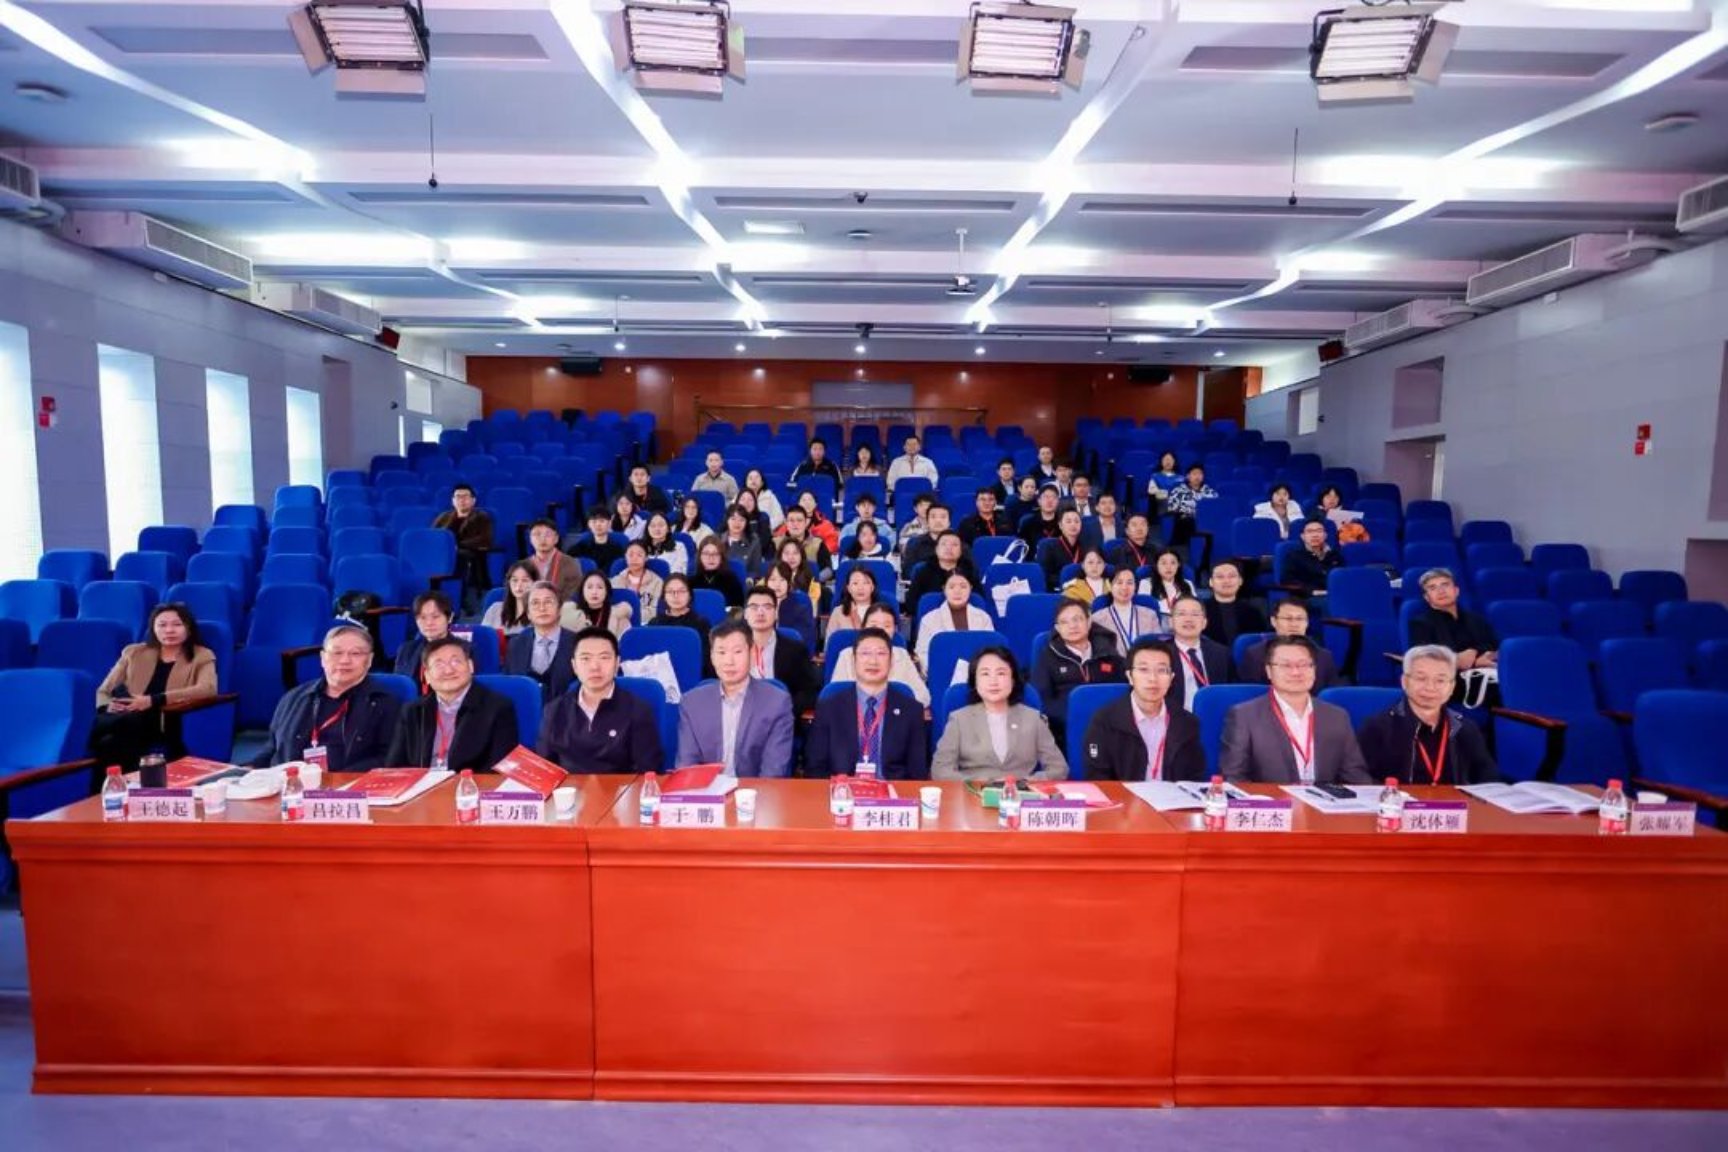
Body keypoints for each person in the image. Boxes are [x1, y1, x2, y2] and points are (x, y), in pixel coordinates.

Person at [1220, 635, 1372, 785]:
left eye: (1304, 664)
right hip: (1272, 800)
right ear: (1269, 671)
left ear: (1314, 669)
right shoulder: (1244, 716)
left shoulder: (1337, 716)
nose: (1296, 672)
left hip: (1324, 800)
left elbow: (1356, 777)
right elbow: (1234, 779)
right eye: (1286, 665)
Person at [89, 602, 218, 771]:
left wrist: (154, 700)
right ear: (153, 629)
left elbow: (208, 689)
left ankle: (87, 738)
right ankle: (114, 783)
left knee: (116, 727)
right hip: (128, 715)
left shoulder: (202, 655)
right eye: (162, 625)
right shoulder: (133, 652)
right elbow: (104, 690)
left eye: (177, 624)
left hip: (166, 719)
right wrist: (106, 706)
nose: (169, 630)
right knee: (109, 742)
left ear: (188, 628)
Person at [254, 624, 401, 771]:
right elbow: (272, 749)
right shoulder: (294, 698)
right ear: (323, 658)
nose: (344, 660)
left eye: (355, 653)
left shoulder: (385, 703)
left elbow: (388, 758)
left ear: (369, 660)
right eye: (337, 653)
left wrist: (335, 781)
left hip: (349, 783)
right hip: (289, 781)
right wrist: (249, 768)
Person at [1359, 645, 1500, 786]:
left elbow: (1489, 781)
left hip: (1452, 800)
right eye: (1421, 679)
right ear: (1405, 682)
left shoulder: (1465, 729)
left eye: (1440, 680)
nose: (1430, 687)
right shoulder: (1378, 728)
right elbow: (1361, 781)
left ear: (1451, 687)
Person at [806, 628, 930, 781]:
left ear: (891, 662)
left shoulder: (911, 710)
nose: (873, 661)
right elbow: (815, 769)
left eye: (881, 654)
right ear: (854, 660)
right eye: (865, 653)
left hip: (892, 792)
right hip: (843, 791)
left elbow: (917, 773)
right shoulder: (829, 708)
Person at [931, 646, 1068, 782]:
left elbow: (1059, 769)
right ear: (975, 681)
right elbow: (940, 770)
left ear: (1013, 680)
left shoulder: (1033, 718)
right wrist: (977, 783)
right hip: (973, 792)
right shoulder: (959, 720)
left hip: (1020, 792)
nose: (993, 681)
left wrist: (1027, 782)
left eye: (1001, 673)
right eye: (985, 674)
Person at [676, 619, 794, 776]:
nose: (729, 661)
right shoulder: (692, 703)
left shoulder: (777, 703)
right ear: (712, 657)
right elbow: (687, 767)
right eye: (721, 652)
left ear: (752, 654)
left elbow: (773, 771)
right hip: (707, 790)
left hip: (755, 790)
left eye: (737, 652)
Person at [539, 627, 664, 774]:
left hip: (621, 787)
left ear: (617, 663)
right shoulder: (554, 710)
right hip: (570, 787)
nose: (595, 667)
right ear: (574, 666)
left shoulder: (638, 710)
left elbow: (647, 771)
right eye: (585, 658)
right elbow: (544, 770)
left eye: (604, 658)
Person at [384, 637, 518, 772]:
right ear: (427, 676)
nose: (448, 671)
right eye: (439, 665)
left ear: (471, 666)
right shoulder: (413, 710)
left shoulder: (497, 707)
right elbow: (394, 767)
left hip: (469, 783)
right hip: (422, 783)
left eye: (456, 661)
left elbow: (498, 771)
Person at [1082, 639, 1206, 783]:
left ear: (1171, 678)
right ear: (1130, 676)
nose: (1153, 679)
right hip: (1123, 796)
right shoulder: (1105, 721)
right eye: (1143, 669)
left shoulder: (1187, 723)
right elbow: (1098, 778)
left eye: (1161, 670)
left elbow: (1193, 778)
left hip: (1172, 797)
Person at [1030, 598, 1124, 747]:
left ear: (1089, 622)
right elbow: (1042, 699)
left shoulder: (1108, 652)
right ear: (1058, 628)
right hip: (1066, 726)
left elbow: (1123, 690)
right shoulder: (1047, 657)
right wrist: (1074, 714)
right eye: (1064, 622)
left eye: (1077, 619)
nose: (1072, 626)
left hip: (1109, 724)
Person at [829, 602, 930, 706]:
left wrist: (887, 704)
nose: (880, 630)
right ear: (863, 628)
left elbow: (923, 696)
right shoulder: (846, 655)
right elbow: (834, 695)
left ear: (895, 630)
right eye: (874, 625)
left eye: (887, 626)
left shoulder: (902, 655)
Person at [743, 585, 820, 713]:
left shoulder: (795, 650)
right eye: (754, 607)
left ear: (776, 613)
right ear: (745, 614)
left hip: (781, 717)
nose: (760, 613)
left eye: (767, 607)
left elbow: (809, 692)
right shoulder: (732, 649)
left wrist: (784, 708)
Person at [1238, 598, 1339, 689]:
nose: (1294, 624)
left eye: (1299, 619)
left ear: (1307, 623)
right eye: (1288, 619)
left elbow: (1329, 696)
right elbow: (1252, 694)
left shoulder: (1324, 656)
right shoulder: (1256, 655)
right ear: (1274, 621)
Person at [1410, 568, 1499, 670]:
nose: (1441, 591)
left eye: (1445, 585)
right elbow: (1425, 661)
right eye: (1433, 588)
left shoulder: (1477, 620)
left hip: (1488, 670)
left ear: (1456, 591)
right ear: (1427, 597)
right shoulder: (1420, 624)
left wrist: (1474, 651)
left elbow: (1493, 647)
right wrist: (1474, 662)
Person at [504, 582, 579, 702]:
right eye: (535, 603)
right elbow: (510, 686)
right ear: (528, 614)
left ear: (559, 609)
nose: (542, 608)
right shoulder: (516, 645)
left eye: (548, 602)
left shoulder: (578, 643)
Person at [914, 568, 994, 676]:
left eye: (963, 586)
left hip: (978, 675)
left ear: (970, 588)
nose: (957, 591)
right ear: (944, 589)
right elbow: (922, 654)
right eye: (951, 587)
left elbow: (991, 651)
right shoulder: (929, 620)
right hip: (942, 674)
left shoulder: (983, 618)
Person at [432, 483, 494, 614]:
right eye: (458, 497)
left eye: (465, 496)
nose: (461, 500)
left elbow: (485, 539)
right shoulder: (444, 517)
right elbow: (433, 535)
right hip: (443, 553)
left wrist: (457, 545)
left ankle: (461, 599)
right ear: (453, 501)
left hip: (468, 553)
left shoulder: (482, 517)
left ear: (473, 500)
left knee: (459, 557)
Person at [1167, 594, 1235, 711]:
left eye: (1195, 614)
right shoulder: (1160, 654)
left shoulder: (1221, 653)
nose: (1188, 619)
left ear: (1204, 623)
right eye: (1181, 614)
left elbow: (1233, 691)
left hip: (1214, 714)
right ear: (1171, 622)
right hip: (1175, 716)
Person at [904, 531, 978, 623]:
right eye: (944, 544)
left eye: (954, 545)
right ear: (936, 549)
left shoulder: (969, 572)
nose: (949, 548)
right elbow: (911, 604)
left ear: (961, 551)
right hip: (930, 621)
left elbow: (978, 601)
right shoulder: (924, 572)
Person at [648, 573, 713, 669]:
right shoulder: (654, 624)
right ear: (664, 596)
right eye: (670, 592)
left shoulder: (701, 624)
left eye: (681, 591)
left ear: (690, 595)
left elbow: (705, 658)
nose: (676, 596)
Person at [1202, 560, 1270, 649]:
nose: (1226, 581)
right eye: (1220, 577)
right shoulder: (1200, 611)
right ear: (1211, 582)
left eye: (1232, 576)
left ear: (1240, 581)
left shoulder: (1253, 612)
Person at [394, 590, 454, 687]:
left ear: (450, 618)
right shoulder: (406, 649)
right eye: (422, 617)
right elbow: (399, 687)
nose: (429, 623)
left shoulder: (463, 651)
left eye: (435, 617)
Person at [1093, 567, 1161, 653]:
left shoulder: (1150, 615)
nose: (1124, 587)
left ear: (1135, 587)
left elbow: (1159, 646)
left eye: (1130, 583)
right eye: (1119, 582)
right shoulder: (1097, 619)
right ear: (1110, 585)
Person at [526, 517, 584, 602]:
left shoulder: (570, 563)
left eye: (548, 535)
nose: (542, 539)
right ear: (530, 539)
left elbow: (574, 595)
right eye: (537, 534)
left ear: (556, 538)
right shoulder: (524, 566)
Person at [765, 563, 819, 653]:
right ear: (766, 582)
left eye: (782, 580)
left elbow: (806, 638)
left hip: (793, 654)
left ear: (789, 582)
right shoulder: (760, 602)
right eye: (772, 579)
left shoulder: (800, 603)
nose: (777, 584)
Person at [563, 570, 634, 637]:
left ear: (606, 592)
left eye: (600, 587)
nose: (594, 592)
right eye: (589, 587)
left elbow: (625, 643)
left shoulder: (619, 616)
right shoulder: (571, 615)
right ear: (582, 591)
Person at [1283, 519, 1342, 594]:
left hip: (1334, 594)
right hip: (1307, 596)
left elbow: (1342, 578)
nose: (1315, 535)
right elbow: (1288, 581)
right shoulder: (1294, 556)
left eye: (1319, 531)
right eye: (1310, 531)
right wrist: (1312, 591)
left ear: (1325, 535)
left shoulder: (1335, 555)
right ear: (1302, 536)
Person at [1163, 465, 1217, 546]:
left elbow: (1216, 509)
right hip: (1186, 520)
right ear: (1188, 476)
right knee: (1186, 520)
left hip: (1205, 521)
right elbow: (1171, 508)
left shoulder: (1211, 492)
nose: (1197, 477)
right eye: (1194, 474)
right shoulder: (1178, 491)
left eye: (1200, 474)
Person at [612, 539, 664, 621]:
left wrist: (631, 615)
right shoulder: (615, 581)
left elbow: (654, 611)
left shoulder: (657, 582)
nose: (634, 559)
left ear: (646, 558)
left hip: (646, 624)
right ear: (625, 557)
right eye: (631, 555)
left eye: (639, 555)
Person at [567, 506, 624, 579]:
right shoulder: (579, 549)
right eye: (594, 521)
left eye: (602, 521)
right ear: (589, 524)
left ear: (609, 524)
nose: (598, 525)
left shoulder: (618, 550)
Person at [1140, 547, 1195, 623]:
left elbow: (1194, 608)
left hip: (1182, 623)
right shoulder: (1146, 584)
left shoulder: (1187, 584)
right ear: (1156, 565)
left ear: (1178, 565)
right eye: (1164, 563)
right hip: (1156, 623)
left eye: (1173, 563)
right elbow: (1143, 612)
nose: (1168, 567)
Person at [1037, 508, 1087, 592]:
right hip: (1056, 591)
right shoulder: (1048, 546)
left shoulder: (1086, 547)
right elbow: (1043, 575)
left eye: (1077, 521)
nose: (1073, 525)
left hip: (1080, 590)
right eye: (1068, 521)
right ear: (1060, 525)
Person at [481, 561, 536, 635]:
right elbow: (482, 638)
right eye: (515, 580)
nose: (519, 585)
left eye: (525, 580)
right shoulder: (494, 609)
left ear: (535, 583)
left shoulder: (540, 612)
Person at [776, 505, 833, 576]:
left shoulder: (818, 544)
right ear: (786, 522)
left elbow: (827, 570)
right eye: (791, 520)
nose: (795, 524)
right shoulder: (776, 543)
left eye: (799, 520)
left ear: (806, 523)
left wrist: (815, 579)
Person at [826, 564, 881, 637]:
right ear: (848, 588)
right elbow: (830, 642)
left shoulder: (882, 612)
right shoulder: (838, 612)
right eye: (855, 583)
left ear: (872, 587)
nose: (860, 588)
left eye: (865, 583)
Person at [901, 503, 956, 574]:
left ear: (949, 523)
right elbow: (907, 572)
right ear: (927, 522)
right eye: (933, 517)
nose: (938, 520)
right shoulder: (914, 543)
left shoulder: (959, 544)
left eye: (943, 517)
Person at [692, 537, 746, 606]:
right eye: (706, 553)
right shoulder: (691, 581)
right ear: (700, 556)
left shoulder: (731, 580)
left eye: (715, 554)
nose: (711, 558)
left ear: (721, 557)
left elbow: (738, 608)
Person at [716, 504, 764, 579]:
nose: (737, 523)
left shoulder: (754, 541)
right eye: (733, 519)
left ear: (746, 522)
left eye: (741, 520)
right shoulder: (717, 539)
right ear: (727, 520)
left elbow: (755, 571)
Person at [794, 490, 841, 556]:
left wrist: (818, 554)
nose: (807, 503)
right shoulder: (790, 522)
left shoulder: (825, 525)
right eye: (804, 500)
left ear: (815, 504)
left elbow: (832, 545)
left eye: (810, 500)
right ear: (798, 504)